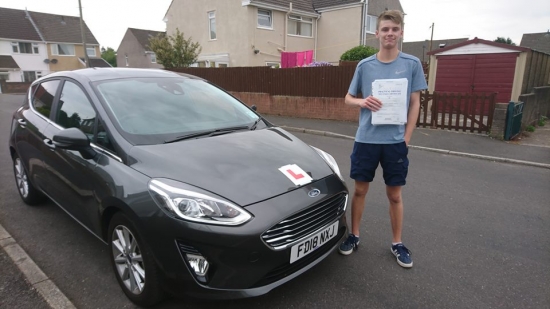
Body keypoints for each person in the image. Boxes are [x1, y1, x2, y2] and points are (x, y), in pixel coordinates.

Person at [338, 10, 427, 268]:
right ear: (377, 34)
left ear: (400, 33)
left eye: (394, 29)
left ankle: (397, 243)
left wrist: (406, 138)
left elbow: (415, 103)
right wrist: (361, 101)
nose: (390, 33)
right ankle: (354, 236)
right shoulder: (364, 65)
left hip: (395, 143)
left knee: (395, 195)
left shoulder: (411, 64)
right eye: (385, 29)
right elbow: (348, 97)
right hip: (366, 140)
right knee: (361, 190)